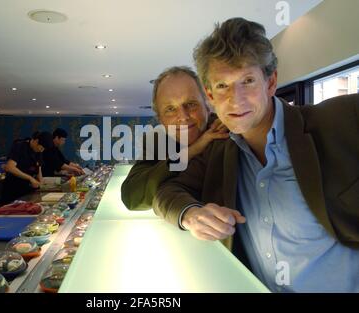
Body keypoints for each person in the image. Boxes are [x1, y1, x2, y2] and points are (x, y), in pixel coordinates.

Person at [154, 18, 359, 292]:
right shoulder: (217, 146)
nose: (235, 100)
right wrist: (191, 214)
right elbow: (165, 191)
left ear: (271, 82)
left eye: (247, 81)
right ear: (210, 95)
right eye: (222, 86)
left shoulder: (338, 120)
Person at [121, 66, 229, 210]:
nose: (183, 117)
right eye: (170, 109)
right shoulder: (157, 141)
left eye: (191, 104)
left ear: (207, 105)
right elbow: (131, 197)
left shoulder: (225, 130)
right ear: (160, 119)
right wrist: (192, 151)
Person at [2, 131, 53, 204]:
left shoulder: (38, 152)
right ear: (36, 141)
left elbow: (39, 170)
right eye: (41, 148)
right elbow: (10, 167)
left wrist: (41, 184)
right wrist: (30, 178)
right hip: (13, 189)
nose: (41, 150)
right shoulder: (19, 146)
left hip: (26, 191)